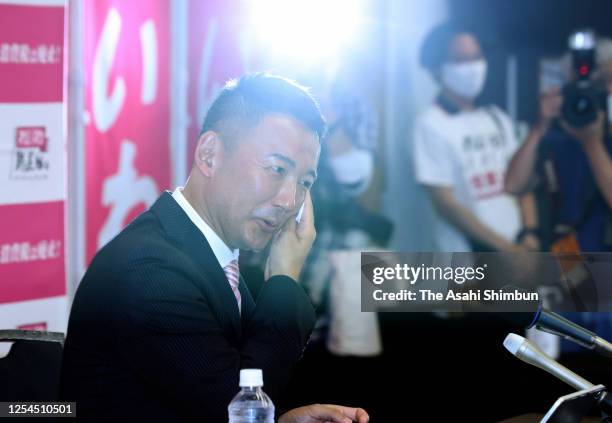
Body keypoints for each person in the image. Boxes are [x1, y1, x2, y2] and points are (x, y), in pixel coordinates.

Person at [60, 73, 369, 423]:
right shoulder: (149, 269)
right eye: (276, 169)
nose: (288, 200)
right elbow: (233, 410)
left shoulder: (209, 255)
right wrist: (284, 278)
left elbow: (210, 393)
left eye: (304, 183)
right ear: (209, 154)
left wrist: (281, 419)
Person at [413, 23, 533, 253]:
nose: (472, 67)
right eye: (460, 59)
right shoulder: (430, 123)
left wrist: (529, 235)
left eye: (476, 57)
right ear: (437, 68)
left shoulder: (496, 117)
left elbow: (522, 182)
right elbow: (446, 204)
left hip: (516, 254)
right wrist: (505, 249)